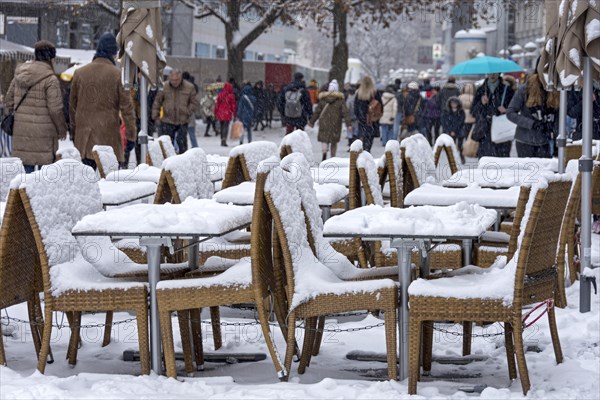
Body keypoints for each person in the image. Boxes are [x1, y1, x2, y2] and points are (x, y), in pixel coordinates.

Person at [70, 33, 135, 169]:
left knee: (86, 180)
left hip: (84, 138)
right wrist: (131, 135)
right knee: (108, 183)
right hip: (108, 138)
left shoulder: (80, 73)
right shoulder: (117, 75)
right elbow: (127, 108)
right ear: (113, 53)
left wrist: (74, 131)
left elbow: (72, 106)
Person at [6, 40, 67, 172]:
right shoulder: (51, 79)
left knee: (26, 175)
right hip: (44, 134)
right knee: (44, 177)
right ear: (51, 58)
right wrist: (61, 128)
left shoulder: (20, 73)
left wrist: (22, 114)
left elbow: (8, 100)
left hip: (22, 132)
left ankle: (25, 191)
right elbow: (55, 109)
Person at [506, 73, 559, 158]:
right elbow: (510, 113)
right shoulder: (525, 89)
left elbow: (558, 119)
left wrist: (557, 141)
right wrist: (532, 124)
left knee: (545, 170)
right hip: (525, 141)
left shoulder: (555, 89)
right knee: (527, 170)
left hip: (545, 141)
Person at [151, 69, 198, 154]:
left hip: (183, 120)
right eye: (172, 80)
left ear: (180, 78)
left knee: (182, 143)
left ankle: (182, 161)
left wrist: (188, 111)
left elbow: (194, 103)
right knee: (167, 145)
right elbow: (157, 101)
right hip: (167, 119)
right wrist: (155, 116)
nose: (174, 82)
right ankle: (168, 161)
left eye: (176, 80)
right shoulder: (164, 86)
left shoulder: (189, 87)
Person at [471, 73, 514, 157]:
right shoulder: (481, 90)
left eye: (495, 73)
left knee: (502, 160)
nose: (492, 75)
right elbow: (473, 111)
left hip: (502, 130)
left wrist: (506, 110)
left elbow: (515, 109)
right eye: (490, 73)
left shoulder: (507, 89)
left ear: (499, 74)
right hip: (485, 130)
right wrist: (481, 103)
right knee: (486, 161)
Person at [308, 79, 352, 161]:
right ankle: (332, 157)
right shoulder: (340, 100)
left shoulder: (323, 99)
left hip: (324, 122)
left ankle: (324, 153)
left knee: (324, 139)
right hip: (335, 123)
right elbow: (345, 113)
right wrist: (348, 124)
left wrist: (311, 122)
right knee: (334, 141)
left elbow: (317, 112)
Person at [354, 76, 381, 152]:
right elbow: (380, 106)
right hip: (372, 120)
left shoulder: (359, 93)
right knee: (369, 139)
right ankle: (367, 152)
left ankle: (362, 154)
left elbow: (355, 108)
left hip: (362, 120)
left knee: (362, 137)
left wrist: (359, 117)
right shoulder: (375, 93)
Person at [214, 82, 236, 147]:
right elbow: (233, 106)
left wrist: (215, 112)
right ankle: (224, 140)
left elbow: (217, 104)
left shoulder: (220, 94)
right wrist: (234, 113)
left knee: (222, 127)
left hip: (220, 113)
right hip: (227, 113)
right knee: (226, 127)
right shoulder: (231, 96)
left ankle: (222, 139)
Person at [182, 71, 199, 149]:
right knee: (192, 133)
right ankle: (195, 146)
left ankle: (182, 147)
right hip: (190, 113)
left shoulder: (183, 86)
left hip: (183, 112)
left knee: (182, 134)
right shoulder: (193, 86)